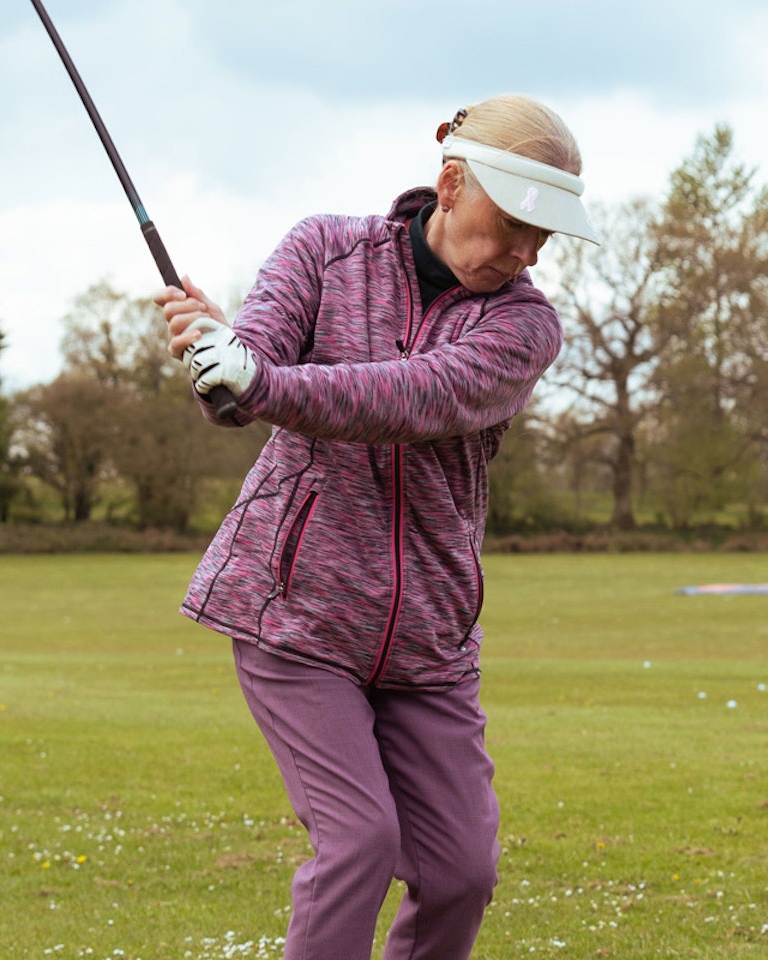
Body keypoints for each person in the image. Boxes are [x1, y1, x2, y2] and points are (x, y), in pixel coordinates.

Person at [155, 94, 598, 960]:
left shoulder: (523, 326)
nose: (525, 251)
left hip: (429, 638)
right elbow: (249, 378)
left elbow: (412, 397)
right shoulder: (325, 248)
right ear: (451, 183)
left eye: (542, 238)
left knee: (463, 871)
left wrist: (257, 381)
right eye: (511, 224)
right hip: (296, 615)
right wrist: (218, 355)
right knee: (358, 840)